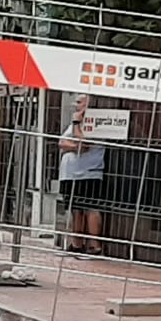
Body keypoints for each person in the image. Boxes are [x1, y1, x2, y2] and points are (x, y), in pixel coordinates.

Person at [57, 98, 107, 254]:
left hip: (88, 173)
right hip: (70, 174)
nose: (75, 105)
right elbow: (62, 143)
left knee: (90, 208)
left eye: (79, 102)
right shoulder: (75, 123)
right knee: (75, 209)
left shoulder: (95, 122)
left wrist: (77, 125)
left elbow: (84, 145)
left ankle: (95, 245)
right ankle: (76, 243)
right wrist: (73, 146)